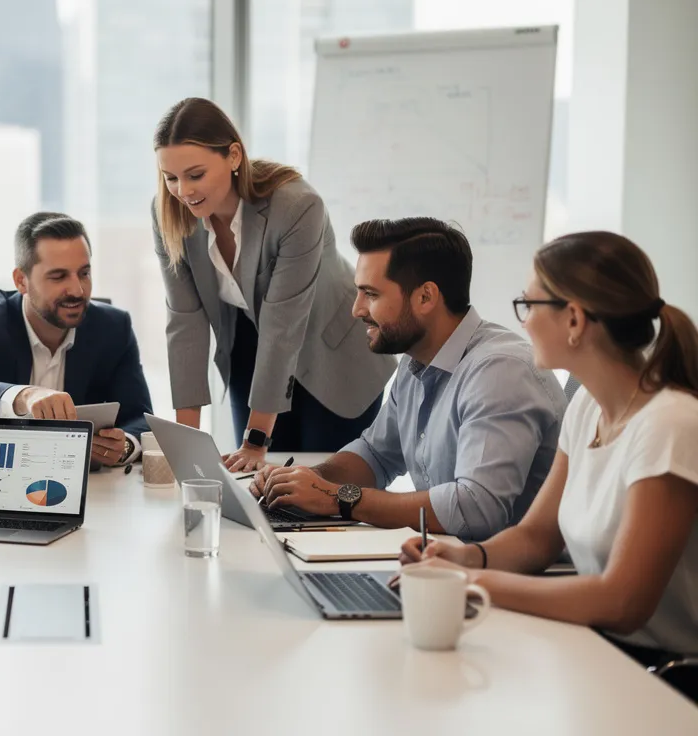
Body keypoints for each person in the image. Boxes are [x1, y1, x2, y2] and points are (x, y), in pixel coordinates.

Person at [398, 231, 698, 700]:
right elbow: (537, 538)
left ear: (574, 318)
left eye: (529, 304)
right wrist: (465, 558)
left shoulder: (670, 425)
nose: (524, 321)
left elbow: (623, 602)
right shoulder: (587, 409)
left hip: (668, 679)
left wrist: (474, 583)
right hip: (601, 652)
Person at [254, 218, 566, 538]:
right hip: (450, 561)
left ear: (426, 298)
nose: (357, 309)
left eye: (370, 294)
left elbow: (474, 510)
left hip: (515, 576)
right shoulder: (417, 361)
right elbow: (375, 454)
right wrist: (300, 483)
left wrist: (337, 498)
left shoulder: (501, 372)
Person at [152, 97, 394, 471]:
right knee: (257, 485)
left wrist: (256, 441)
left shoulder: (296, 206)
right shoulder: (168, 215)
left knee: (319, 492)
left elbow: (283, 326)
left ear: (234, 156)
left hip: (331, 353)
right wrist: (185, 450)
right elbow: (185, 325)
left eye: (195, 174)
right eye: (171, 178)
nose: (183, 190)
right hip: (251, 350)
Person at [0, 212, 154, 468]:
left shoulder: (113, 328)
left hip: (78, 486)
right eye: (58, 277)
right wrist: (26, 396)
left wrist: (124, 446)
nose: (77, 290)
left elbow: (141, 417)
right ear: (21, 280)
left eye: (84, 273)